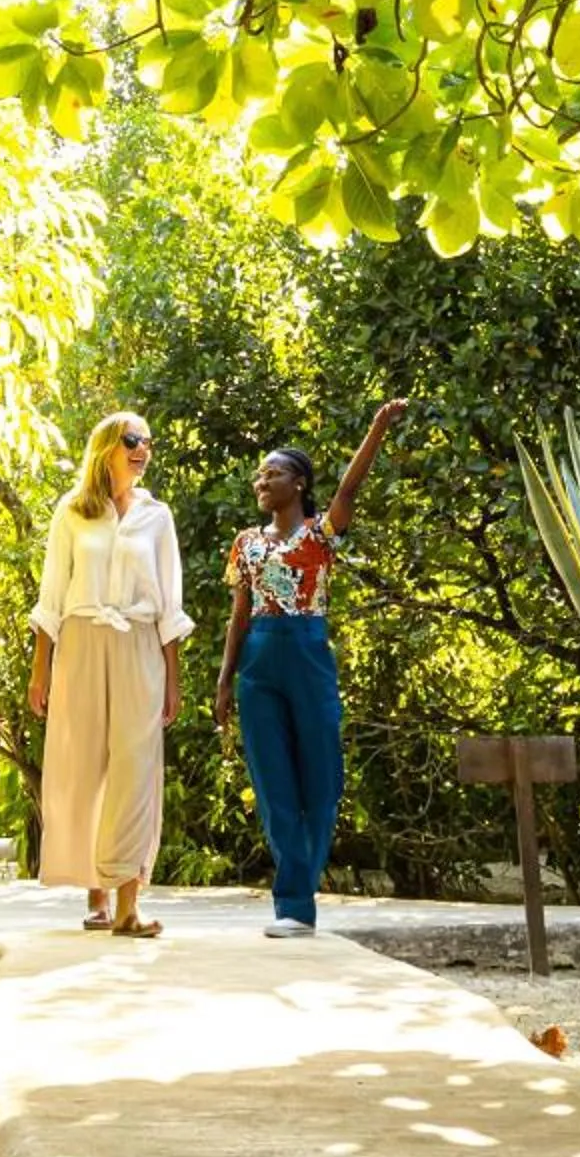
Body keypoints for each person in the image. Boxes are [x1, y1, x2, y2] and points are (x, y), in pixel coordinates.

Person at [214, 401, 408, 939]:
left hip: (307, 651)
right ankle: (294, 906)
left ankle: (301, 893)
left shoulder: (321, 534)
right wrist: (226, 679)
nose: (262, 479)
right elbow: (239, 612)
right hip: (258, 660)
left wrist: (376, 428)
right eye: (259, 474)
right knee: (274, 787)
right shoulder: (247, 543)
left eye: (272, 472)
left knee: (322, 781)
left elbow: (347, 491)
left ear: (297, 483)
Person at [27, 410, 190, 937]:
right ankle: (95, 889)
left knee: (135, 770)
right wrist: (40, 669)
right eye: (132, 440)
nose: (143, 449)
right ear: (106, 448)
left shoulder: (157, 517)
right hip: (80, 641)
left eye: (148, 440)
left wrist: (173, 676)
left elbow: (169, 601)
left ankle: (127, 906)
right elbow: (52, 594)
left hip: (139, 643)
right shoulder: (73, 512)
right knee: (83, 765)